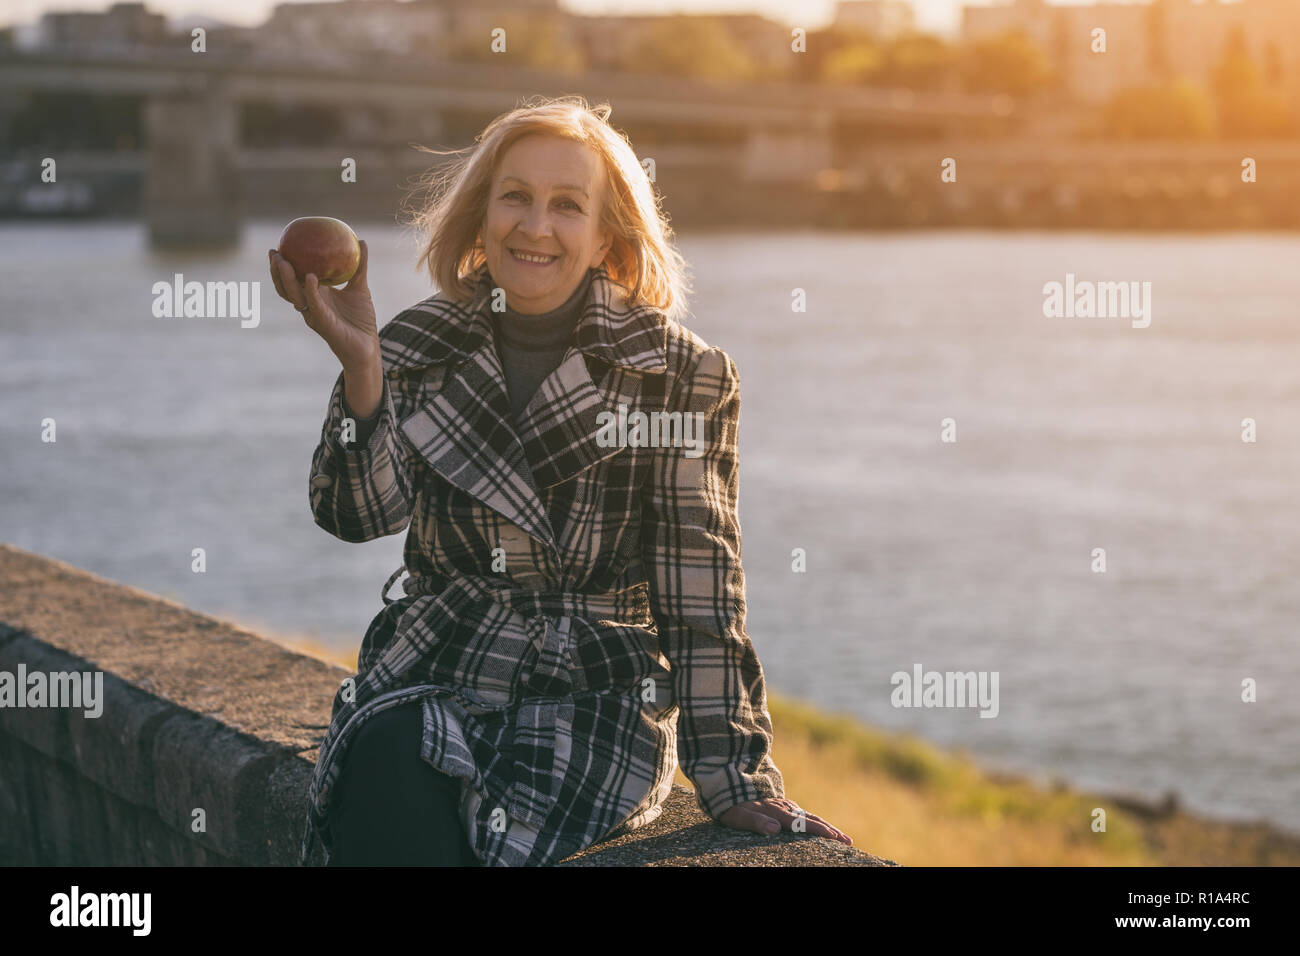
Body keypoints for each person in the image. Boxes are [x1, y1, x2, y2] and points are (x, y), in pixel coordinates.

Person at [269, 95, 852, 866]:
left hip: (593, 692)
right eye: (515, 197)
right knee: (389, 766)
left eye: (567, 206)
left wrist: (735, 773)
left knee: (486, 822)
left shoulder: (677, 373)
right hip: (438, 663)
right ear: (480, 217)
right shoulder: (416, 343)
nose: (535, 226)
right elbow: (354, 513)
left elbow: (699, 586)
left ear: (607, 235)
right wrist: (364, 370)